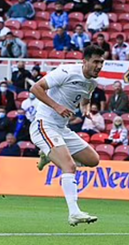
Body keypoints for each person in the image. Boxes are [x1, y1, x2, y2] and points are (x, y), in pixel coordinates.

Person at [29, 45, 105, 226]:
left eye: (102, 62)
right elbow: (35, 88)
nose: (99, 66)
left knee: (93, 160)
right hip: (43, 124)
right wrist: (57, 106)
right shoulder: (66, 71)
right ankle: (74, 213)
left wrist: (85, 109)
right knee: (69, 167)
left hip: (62, 129)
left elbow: (85, 97)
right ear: (84, 61)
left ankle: (49, 155)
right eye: (95, 62)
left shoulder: (92, 83)